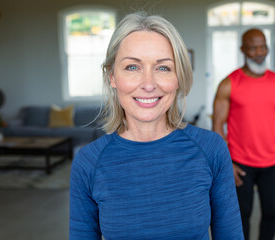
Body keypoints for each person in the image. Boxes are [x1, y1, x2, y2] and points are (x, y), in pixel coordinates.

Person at [70, 12, 244, 240]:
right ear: (112, 76)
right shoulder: (89, 162)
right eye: (133, 67)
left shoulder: (211, 149)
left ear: (178, 78)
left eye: (163, 68)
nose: (148, 84)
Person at [212, 28, 275, 240]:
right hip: (240, 164)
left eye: (263, 46)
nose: (259, 52)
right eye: (253, 48)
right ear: (243, 49)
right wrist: (226, 163)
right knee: (242, 215)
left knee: (273, 212)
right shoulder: (228, 84)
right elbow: (217, 124)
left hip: (271, 162)